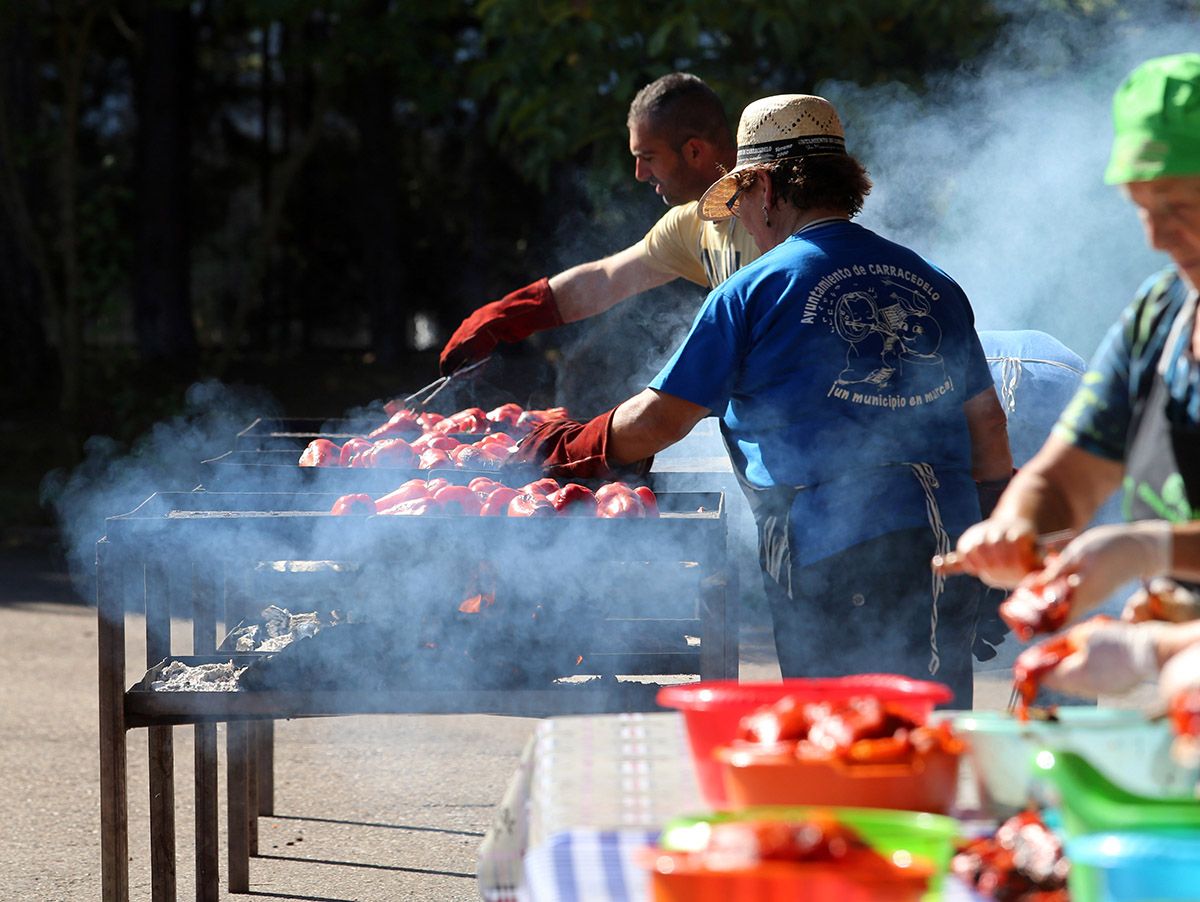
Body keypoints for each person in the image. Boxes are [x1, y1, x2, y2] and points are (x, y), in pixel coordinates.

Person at [511, 93, 1013, 708]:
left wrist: (578, 444)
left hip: (833, 548)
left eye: (742, 198)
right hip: (946, 538)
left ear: (769, 189)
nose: (742, 218)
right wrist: (994, 542)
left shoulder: (755, 287)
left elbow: (663, 416)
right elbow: (986, 421)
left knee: (844, 736)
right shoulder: (932, 280)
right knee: (920, 731)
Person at [944, 53, 1200, 633]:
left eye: (1177, 208)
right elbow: (1063, 477)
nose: (1157, 236)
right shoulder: (1159, 318)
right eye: (1142, 209)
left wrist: (1146, 549)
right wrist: (1015, 526)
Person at [439, 72, 761, 376]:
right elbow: (607, 279)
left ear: (694, 151)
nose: (640, 173)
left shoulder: (776, 214)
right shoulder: (688, 224)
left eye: (648, 157)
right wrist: (508, 317)